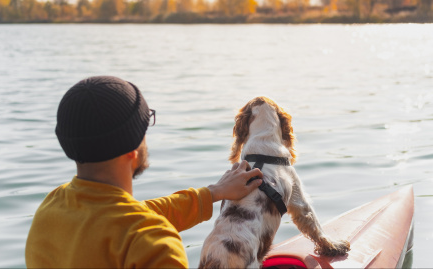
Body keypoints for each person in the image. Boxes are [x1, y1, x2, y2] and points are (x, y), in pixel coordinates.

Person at [25, 76, 263, 268]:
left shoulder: (51, 208)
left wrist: (213, 193)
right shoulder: (155, 246)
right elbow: (135, 224)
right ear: (133, 150)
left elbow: (133, 216)